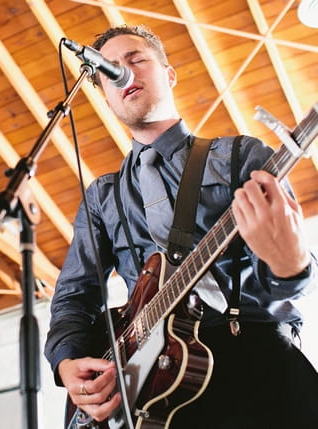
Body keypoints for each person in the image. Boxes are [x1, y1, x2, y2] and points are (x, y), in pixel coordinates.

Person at [44, 25, 318, 429]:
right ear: (105, 95)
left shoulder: (241, 155)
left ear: (168, 74)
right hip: (152, 381)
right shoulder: (102, 196)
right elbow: (74, 295)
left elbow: (290, 280)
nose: (126, 73)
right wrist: (67, 361)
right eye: (111, 70)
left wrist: (291, 264)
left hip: (253, 355)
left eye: (137, 60)